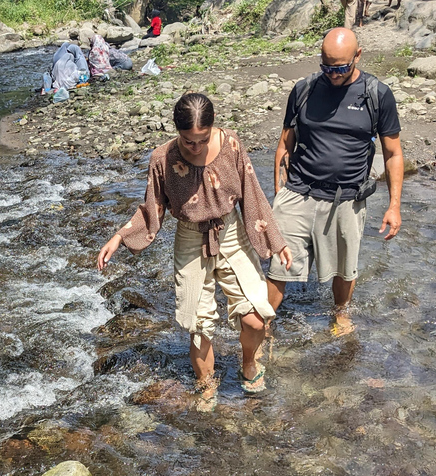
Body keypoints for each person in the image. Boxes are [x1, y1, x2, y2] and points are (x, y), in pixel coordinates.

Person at [97, 93, 293, 409]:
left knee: (256, 318)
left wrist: (276, 240)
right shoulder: (162, 159)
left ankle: (249, 364)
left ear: (212, 128)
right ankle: (206, 384)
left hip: (230, 233)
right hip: (190, 240)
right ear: (177, 131)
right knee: (199, 328)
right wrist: (119, 237)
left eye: (202, 140)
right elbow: (152, 208)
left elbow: (252, 194)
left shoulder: (231, 144)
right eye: (189, 141)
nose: (196, 147)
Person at [266, 28, 403, 335]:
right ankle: (264, 323)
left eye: (341, 68)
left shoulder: (377, 95)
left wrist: (394, 207)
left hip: (347, 199)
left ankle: (340, 314)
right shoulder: (304, 90)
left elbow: (393, 154)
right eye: (326, 66)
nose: (333, 74)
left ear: (358, 55)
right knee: (279, 266)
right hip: (298, 192)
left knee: (345, 266)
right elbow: (284, 144)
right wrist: (279, 194)